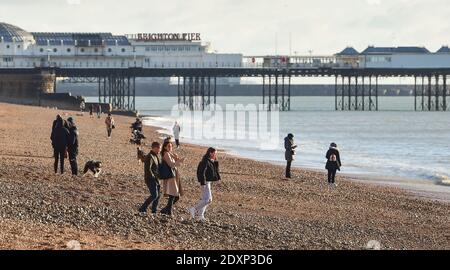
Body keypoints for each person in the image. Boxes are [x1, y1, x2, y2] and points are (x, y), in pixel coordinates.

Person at [189, 147, 221, 222]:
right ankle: (193, 209)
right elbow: (201, 172)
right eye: (215, 153)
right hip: (205, 182)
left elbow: (215, 172)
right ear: (210, 153)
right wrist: (203, 183)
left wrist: (218, 179)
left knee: (205, 199)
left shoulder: (210, 161)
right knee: (208, 200)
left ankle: (201, 216)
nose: (215, 155)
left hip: (208, 182)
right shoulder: (205, 161)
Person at [159, 141, 185, 216]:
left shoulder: (170, 154)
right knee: (173, 195)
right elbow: (171, 165)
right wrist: (180, 161)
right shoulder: (166, 154)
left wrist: (177, 158)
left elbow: (174, 164)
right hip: (170, 176)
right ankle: (168, 211)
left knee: (175, 195)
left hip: (174, 176)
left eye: (171, 146)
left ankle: (165, 210)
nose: (170, 147)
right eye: (168, 146)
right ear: (165, 147)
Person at [139, 142, 162, 214]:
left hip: (156, 179)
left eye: (160, 148)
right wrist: (153, 177)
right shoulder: (150, 156)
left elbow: (157, 168)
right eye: (159, 148)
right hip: (150, 179)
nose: (160, 150)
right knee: (154, 195)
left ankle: (154, 211)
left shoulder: (155, 156)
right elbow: (148, 169)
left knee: (158, 196)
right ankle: (142, 208)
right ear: (154, 148)